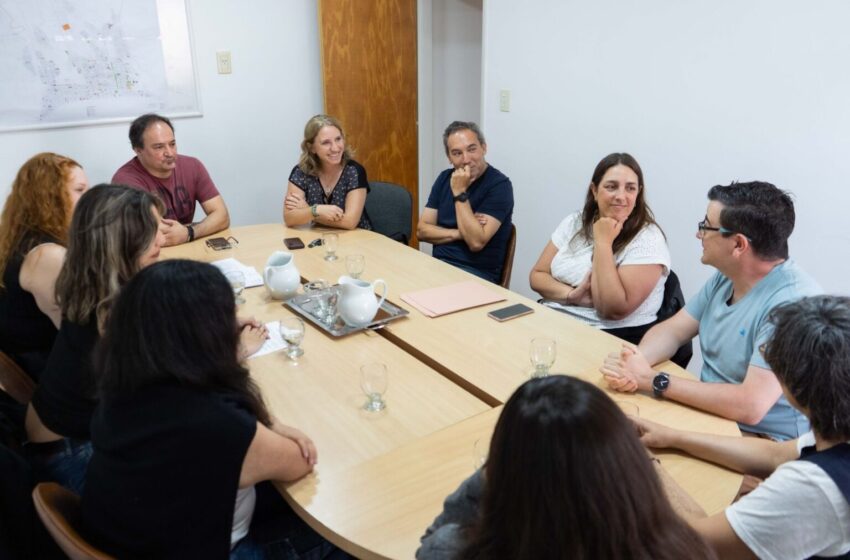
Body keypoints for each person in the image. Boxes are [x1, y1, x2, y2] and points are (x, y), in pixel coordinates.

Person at [81, 260, 339, 559]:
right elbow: (299, 461)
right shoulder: (214, 424)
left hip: (131, 534)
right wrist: (270, 423)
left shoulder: (124, 382)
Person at [633, 295, 850, 560]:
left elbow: (697, 540)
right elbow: (775, 455)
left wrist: (646, 463)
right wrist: (673, 436)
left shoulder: (815, 486)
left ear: (794, 387)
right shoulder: (837, 429)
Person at [601, 181, 821, 441]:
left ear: (738, 245)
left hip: (762, 441)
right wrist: (636, 362)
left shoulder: (791, 305)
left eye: (706, 226)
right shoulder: (727, 276)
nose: (699, 234)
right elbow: (673, 331)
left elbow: (750, 406)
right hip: (710, 417)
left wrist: (652, 380)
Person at [417, 375, 715, 560]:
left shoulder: (454, 549)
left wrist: (492, 472)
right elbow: (694, 521)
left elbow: (429, 543)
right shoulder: (682, 547)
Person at [22, 185, 166, 494]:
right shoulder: (115, 316)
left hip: (52, 435)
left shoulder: (91, 282)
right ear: (123, 241)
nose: (162, 239)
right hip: (73, 453)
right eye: (153, 232)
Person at [530, 152, 670, 342]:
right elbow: (537, 276)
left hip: (612, 336)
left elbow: (612, 310)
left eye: (630, 188)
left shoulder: (649, 239)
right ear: (594, 191)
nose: (621, 196)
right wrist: (571, 296)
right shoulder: (575, 221)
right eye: (611, 187)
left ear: (638, 193)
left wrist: (603, 242)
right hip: (556, 319)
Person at [0, 153, 88, 379]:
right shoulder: (47, 255)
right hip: (47, 373)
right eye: (80, 191)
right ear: (50, 197)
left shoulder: (19, 239)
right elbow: (83, 333)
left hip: (36, 359)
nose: (88, 200)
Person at [417, 121, 514, 283]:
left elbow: (476, 241)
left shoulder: (499, 185)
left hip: (477, 274)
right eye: (457, 153)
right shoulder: (444, 179)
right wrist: (460, 233)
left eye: (472, 149)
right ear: (449, 158)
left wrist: (459, 192)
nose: (466, 159)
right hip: (438, 266)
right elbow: (422, 231)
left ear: (484, 148)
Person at [112, 113, 230, 246]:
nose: (170, 153)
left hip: (186, 246)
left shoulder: (192, 166)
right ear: (138, 150)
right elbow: (159, 233)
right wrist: (202, 226)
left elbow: (222, 216)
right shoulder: (125, 180)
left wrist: (190, 232)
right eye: (159, 147)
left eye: (172, 144)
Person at [283, 114, 372, 230]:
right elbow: (289, 218)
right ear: (311, 148)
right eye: (326, 143)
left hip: (358, 239)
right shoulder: (301, 172)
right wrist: (317, 210)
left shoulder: (354, 171)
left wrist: (310, 211)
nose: (335, 148)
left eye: (338, 139)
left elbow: (350, 222)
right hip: (320, 238)